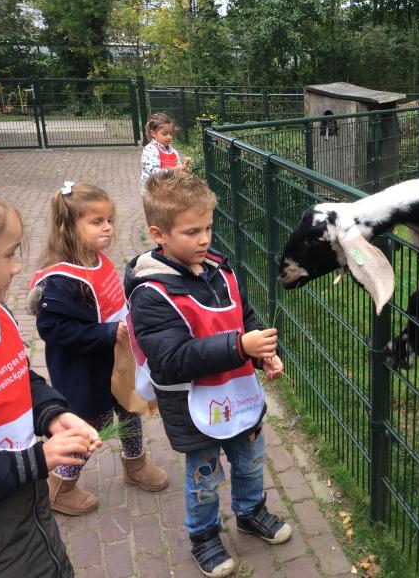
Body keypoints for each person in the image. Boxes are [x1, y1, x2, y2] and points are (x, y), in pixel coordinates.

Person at [125, 169, 291, 578]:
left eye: (208, 228)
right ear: (158, 233)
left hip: (240, 391)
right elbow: (170, 359)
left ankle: (251, 513)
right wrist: (239, 347)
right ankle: (203, 535)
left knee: (251, 460)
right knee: (204, 475)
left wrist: (263, 353)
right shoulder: (151, 294)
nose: (204, 239)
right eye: (191, 231)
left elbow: (242, 315)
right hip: (194, 406)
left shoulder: (220, 268)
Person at [28, 181, 169, 516]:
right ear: (68, 228)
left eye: (109, 220)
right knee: (89, 428)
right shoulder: (61, 281)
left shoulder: (97, 260)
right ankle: (60, 486)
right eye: (97, 222)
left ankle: (135, 465)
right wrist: (105, 333)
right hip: (85, 374)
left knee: (130, 410)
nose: (107, 227)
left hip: (115, 363)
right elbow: (53, 328)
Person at [0, 195, 102, 577]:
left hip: (29, 513)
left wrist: (53, 414)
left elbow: (18, 376)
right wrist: (37, 460)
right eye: (8, 255)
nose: (18, 266)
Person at [141, 112, 191, 191]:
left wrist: (183, 170)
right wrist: (174, 170)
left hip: (170, 190)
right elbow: (154, 174)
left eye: (171, 134)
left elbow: (178, 167)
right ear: (153, 133)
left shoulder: (174, 152)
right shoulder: (150, 149)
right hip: (154, 193)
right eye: (165, 134)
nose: (169, 137)